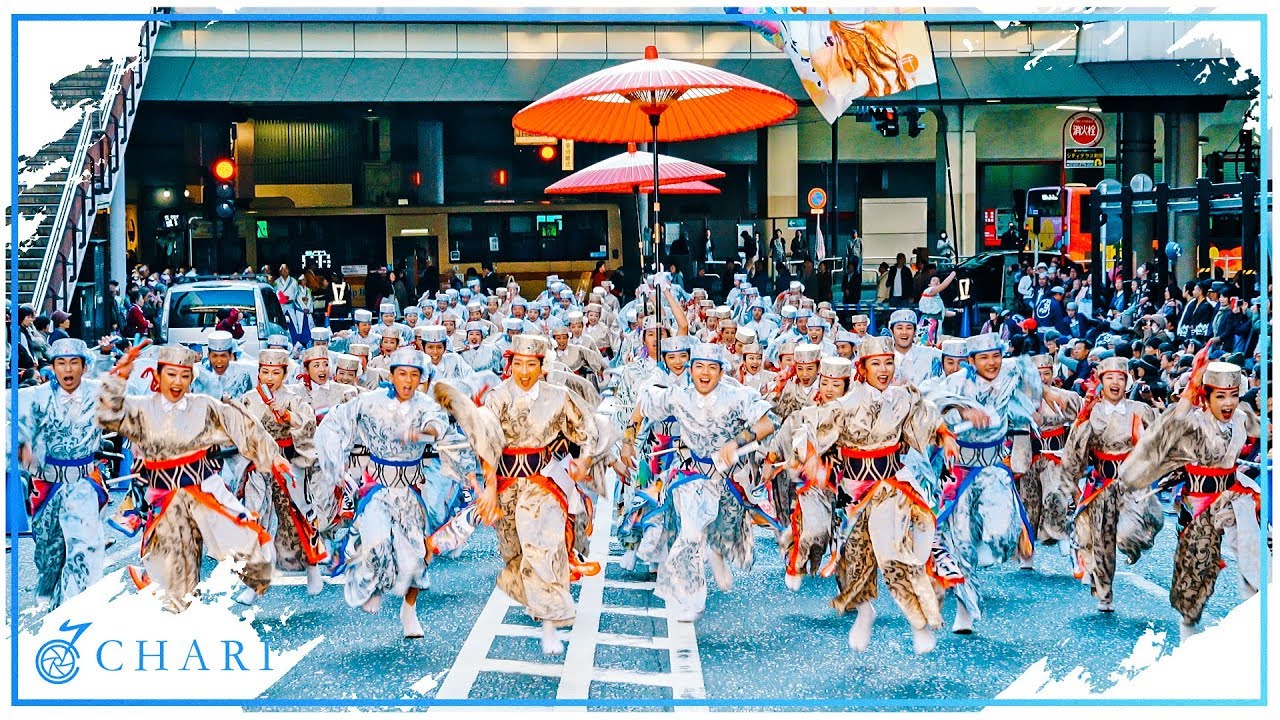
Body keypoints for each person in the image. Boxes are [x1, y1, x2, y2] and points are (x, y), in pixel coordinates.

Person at [436, 334, 603, 655]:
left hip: (544, 481)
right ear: (510, 364)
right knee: (516, 552)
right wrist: (488, 486)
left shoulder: (559, 396)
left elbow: (586, 430)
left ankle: (551, 622)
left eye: (531, 365)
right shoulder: (498, 397)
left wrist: (583, 460)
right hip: (507, 484)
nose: (524, 371)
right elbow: (486, 443)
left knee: (543, 545)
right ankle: (540, 604)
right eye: (518, 364)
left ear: (542, 366)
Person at [96, 343, 292, 612]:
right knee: (178, 574)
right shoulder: (141, 408)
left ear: (191, 379)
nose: (177, 382)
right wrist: (118, 378)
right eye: (171, 374)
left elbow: (241, 424)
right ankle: (180, 618)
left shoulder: (203, 406)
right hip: (167, 499)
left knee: (249, 550)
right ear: (158, 375)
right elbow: (108, 415)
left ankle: (254, 581)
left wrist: (272, 456)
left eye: (184, 376)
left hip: (203, 490)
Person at [621, 342, 779, 623]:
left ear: (721, 372)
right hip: (691, 475)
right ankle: (693, 598)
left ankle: (717, 552)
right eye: (699, 366)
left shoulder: (736, 395)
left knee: (725, 530)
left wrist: (735, 442)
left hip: (727, 477)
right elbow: (643, 405)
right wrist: (627, 441)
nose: (705, 373)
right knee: (690, 535)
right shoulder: (678, 395)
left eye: (712, 368)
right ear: (690, 369)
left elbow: (767, 424)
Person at [15, 339, 108, 609]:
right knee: (49, 556)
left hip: (84, 483)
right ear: (53, 367)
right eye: (61, 363)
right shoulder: (36, 396)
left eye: (74, 362)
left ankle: (74, 611)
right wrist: (21, 444)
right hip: (47, 485)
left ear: (84, 367)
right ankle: (49, 602)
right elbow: (14, 421)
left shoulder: (99, 393)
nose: (68, 369)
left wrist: (105, 355)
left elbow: (126, 394)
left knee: (84, 552)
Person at [917, 270, 956, 344]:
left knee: (935, 344)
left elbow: (943, 312)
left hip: (937, 323)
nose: (936, 282)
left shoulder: (937, 297)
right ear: (929, 284)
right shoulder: (928, 291)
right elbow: (943, 285)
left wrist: (956, 314)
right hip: (928, 323)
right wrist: (953, 274)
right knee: (926, 344)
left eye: (938, 281)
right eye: (934, 280)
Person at [842, 230, 863, 304]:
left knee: (856, 274)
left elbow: (862, 249)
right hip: (851, 257)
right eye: (853, 234)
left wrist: (861, 257)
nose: (854, 235)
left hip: (857, 257)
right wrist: (847, 256)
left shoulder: (860, 240)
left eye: (855, 233)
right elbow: (847, 250)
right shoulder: (849, 241)